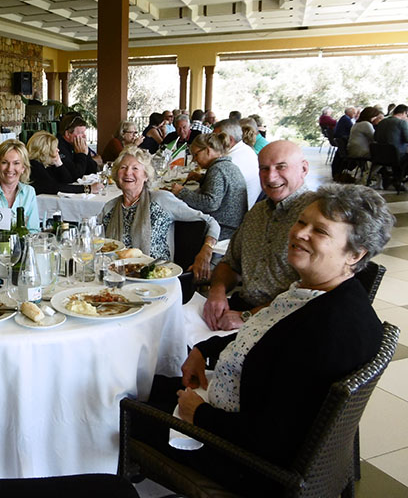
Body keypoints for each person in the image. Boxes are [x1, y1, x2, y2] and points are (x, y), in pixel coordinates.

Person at [142, 183, 390, 496]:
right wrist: (204, 350)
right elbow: (267, 335)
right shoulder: (324, 294)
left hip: (246, 463)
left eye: (320, 231)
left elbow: (271, 440)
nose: (299, 233)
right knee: (142, 384)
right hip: (236, 406)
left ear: (355, 254)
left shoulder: (327, 330)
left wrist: (199, 414)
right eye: (301, 222)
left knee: (119, 407)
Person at [203, 140, 314, 330]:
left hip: (287, 323)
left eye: (281, 167)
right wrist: (217, 291)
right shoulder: (257, 212)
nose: (271, 177)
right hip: (242, 307)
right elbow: (230, 263)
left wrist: (248, 317)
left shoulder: (316, 217)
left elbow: (312, 294)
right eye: (264, 168)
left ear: (304, 169)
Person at [100, 147, 220, 282]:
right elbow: (96, 242)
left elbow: (210, 222)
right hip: (115, 278)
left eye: (135, 168)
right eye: (123, 167)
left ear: (146, 175)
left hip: (156, 278)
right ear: (117, 174)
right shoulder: (109, 208)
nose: (128, 172)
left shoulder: (161, 200)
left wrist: (207, 250)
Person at [168, 132, 247, 241]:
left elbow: (210, 204)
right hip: (232, 225)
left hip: (223, 229)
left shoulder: (217, 170)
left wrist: (181, 191)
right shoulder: (227, 166)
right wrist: (202, 178)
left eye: (196, 155)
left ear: (208, 151)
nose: (194, 160)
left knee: (173, 225)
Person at [27, 131, 102, 195]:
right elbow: (54, 187)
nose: (58, 150)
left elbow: (67, 181)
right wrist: (87, 188)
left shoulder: (47, 164)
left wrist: (59, 163)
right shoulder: (34, 165)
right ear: (45, 150)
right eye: (54, 148)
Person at [212, 119, 261, 210]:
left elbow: (211, 201)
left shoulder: (229, 161)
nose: (212, 142)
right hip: (250, 206)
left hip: (237, 212)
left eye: (216, 139)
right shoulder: (247, 149)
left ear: (230, 140)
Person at [373, 103, 408, 190]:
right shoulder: (402, 123)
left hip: (380, 156)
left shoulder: (382, 122)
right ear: (404, 113)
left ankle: (394, 178)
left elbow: (375, 137)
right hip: (396, 156)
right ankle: (399, 179)